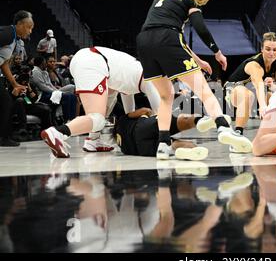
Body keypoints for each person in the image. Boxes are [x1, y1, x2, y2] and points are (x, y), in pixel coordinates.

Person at [136, 0, 252, 159]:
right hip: (167, 38)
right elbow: (199, 27)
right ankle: (223, 127)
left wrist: (197, 61)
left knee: (166, 96)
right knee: (204, 89)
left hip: (144, 42)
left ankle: (163, 144)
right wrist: (217, 52)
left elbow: (169, 34)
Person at [40, 46, 161, 158]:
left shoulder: (133, 73)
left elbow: (129, 110)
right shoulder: (150, 76)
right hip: (93, 62)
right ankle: (58, 132)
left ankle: (93, 141)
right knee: (97, 119)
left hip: (90, 61)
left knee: (110, 100)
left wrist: (132, 123)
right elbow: (160, 115)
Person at [226, 32, 276, 136]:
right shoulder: (254, 64)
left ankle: (269, 134)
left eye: (275, 50)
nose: (272, 53)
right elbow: (259, 85)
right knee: (247, 95)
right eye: (268, 49)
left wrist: (272, 85)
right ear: (261, 49)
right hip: (233, 89)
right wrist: (262, 106)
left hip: (254, 90)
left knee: (273, 97)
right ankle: (238, 133)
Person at [113, 107, 216, 160]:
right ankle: (199, 121)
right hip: (142, 127)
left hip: (140, 149)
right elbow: (145, 110)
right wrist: (150, 114)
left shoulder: (122, 148)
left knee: (168, 145)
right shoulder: (122, 119)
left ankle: (185, 148)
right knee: (177, 121)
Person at [0, 10, 33, 146]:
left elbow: (4, 63)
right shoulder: (7, 33)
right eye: (28, 27)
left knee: (5, 102)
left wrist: (14, 84)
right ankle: (3, 137)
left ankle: (4, 136)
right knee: (5, 102)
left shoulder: (14, 39)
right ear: (19, 24)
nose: (30, 31)